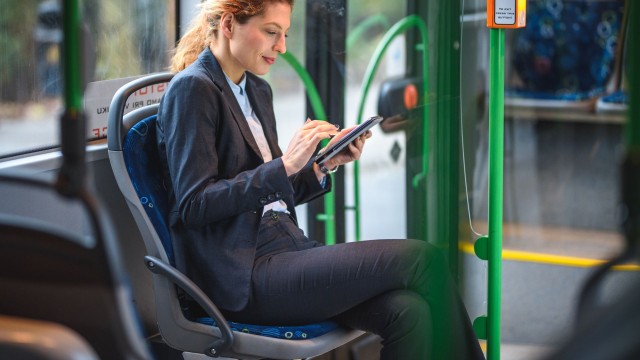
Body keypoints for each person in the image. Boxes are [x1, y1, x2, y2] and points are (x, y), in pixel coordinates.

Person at [156, 0, 485, 358]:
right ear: (230, 24)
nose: (281, 47)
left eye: (284, 35)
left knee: (410, 313)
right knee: (422, 259)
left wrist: (320, 166)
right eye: (271, 32)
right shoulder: (193, 90)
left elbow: (268, 194)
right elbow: (195, 204)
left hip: (286, 249)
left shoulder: (256, 91)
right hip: (243, 272)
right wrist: (284, 165)